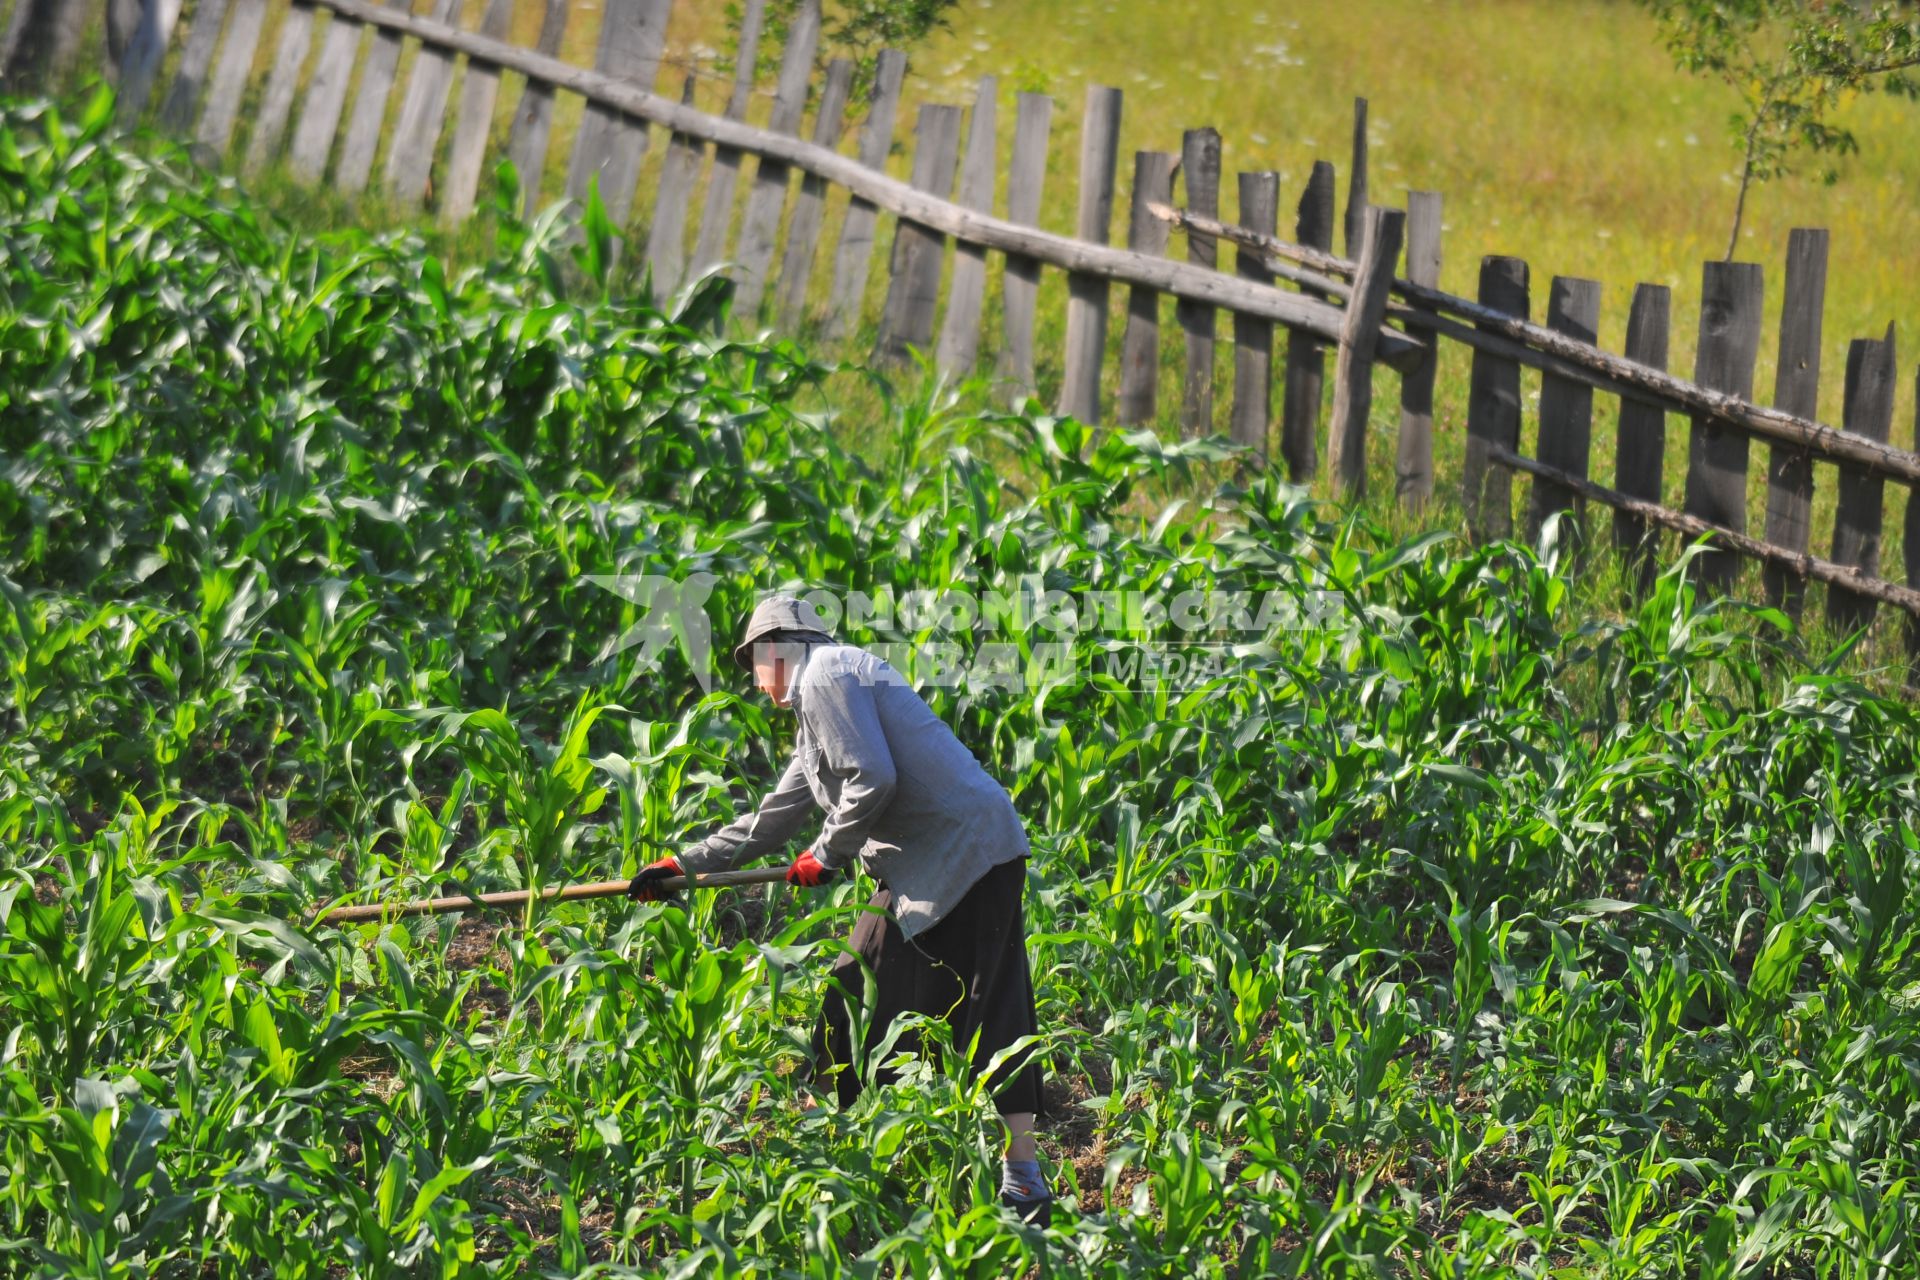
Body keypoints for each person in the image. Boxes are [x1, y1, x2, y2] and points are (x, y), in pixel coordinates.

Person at [627, 594, 1054, 1221]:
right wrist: (681, 866)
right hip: (924, 866)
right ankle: (850, 1158)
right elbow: (773, 817)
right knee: (853, 997)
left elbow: (872, 777)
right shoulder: (821, 704)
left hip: (971, 853)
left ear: (780, 645)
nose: (755, 680)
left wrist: (826, 854)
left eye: (754, 663)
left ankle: (1024, 1182)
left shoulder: (828, 671)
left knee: (990, 1009)